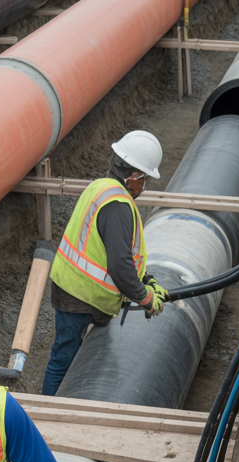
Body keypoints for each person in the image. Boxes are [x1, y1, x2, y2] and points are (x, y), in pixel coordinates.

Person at [42, 130, 170, 396]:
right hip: (80, 295)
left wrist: (146, 279)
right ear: (134, 177)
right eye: (145, 179)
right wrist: (144, 297)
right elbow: (119, 264)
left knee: (71, 353)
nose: (144, 186)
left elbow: (110, 250)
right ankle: (48, 414)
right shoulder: (118, 205)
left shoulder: (100, 186)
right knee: (63, 358)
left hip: (73, 287)